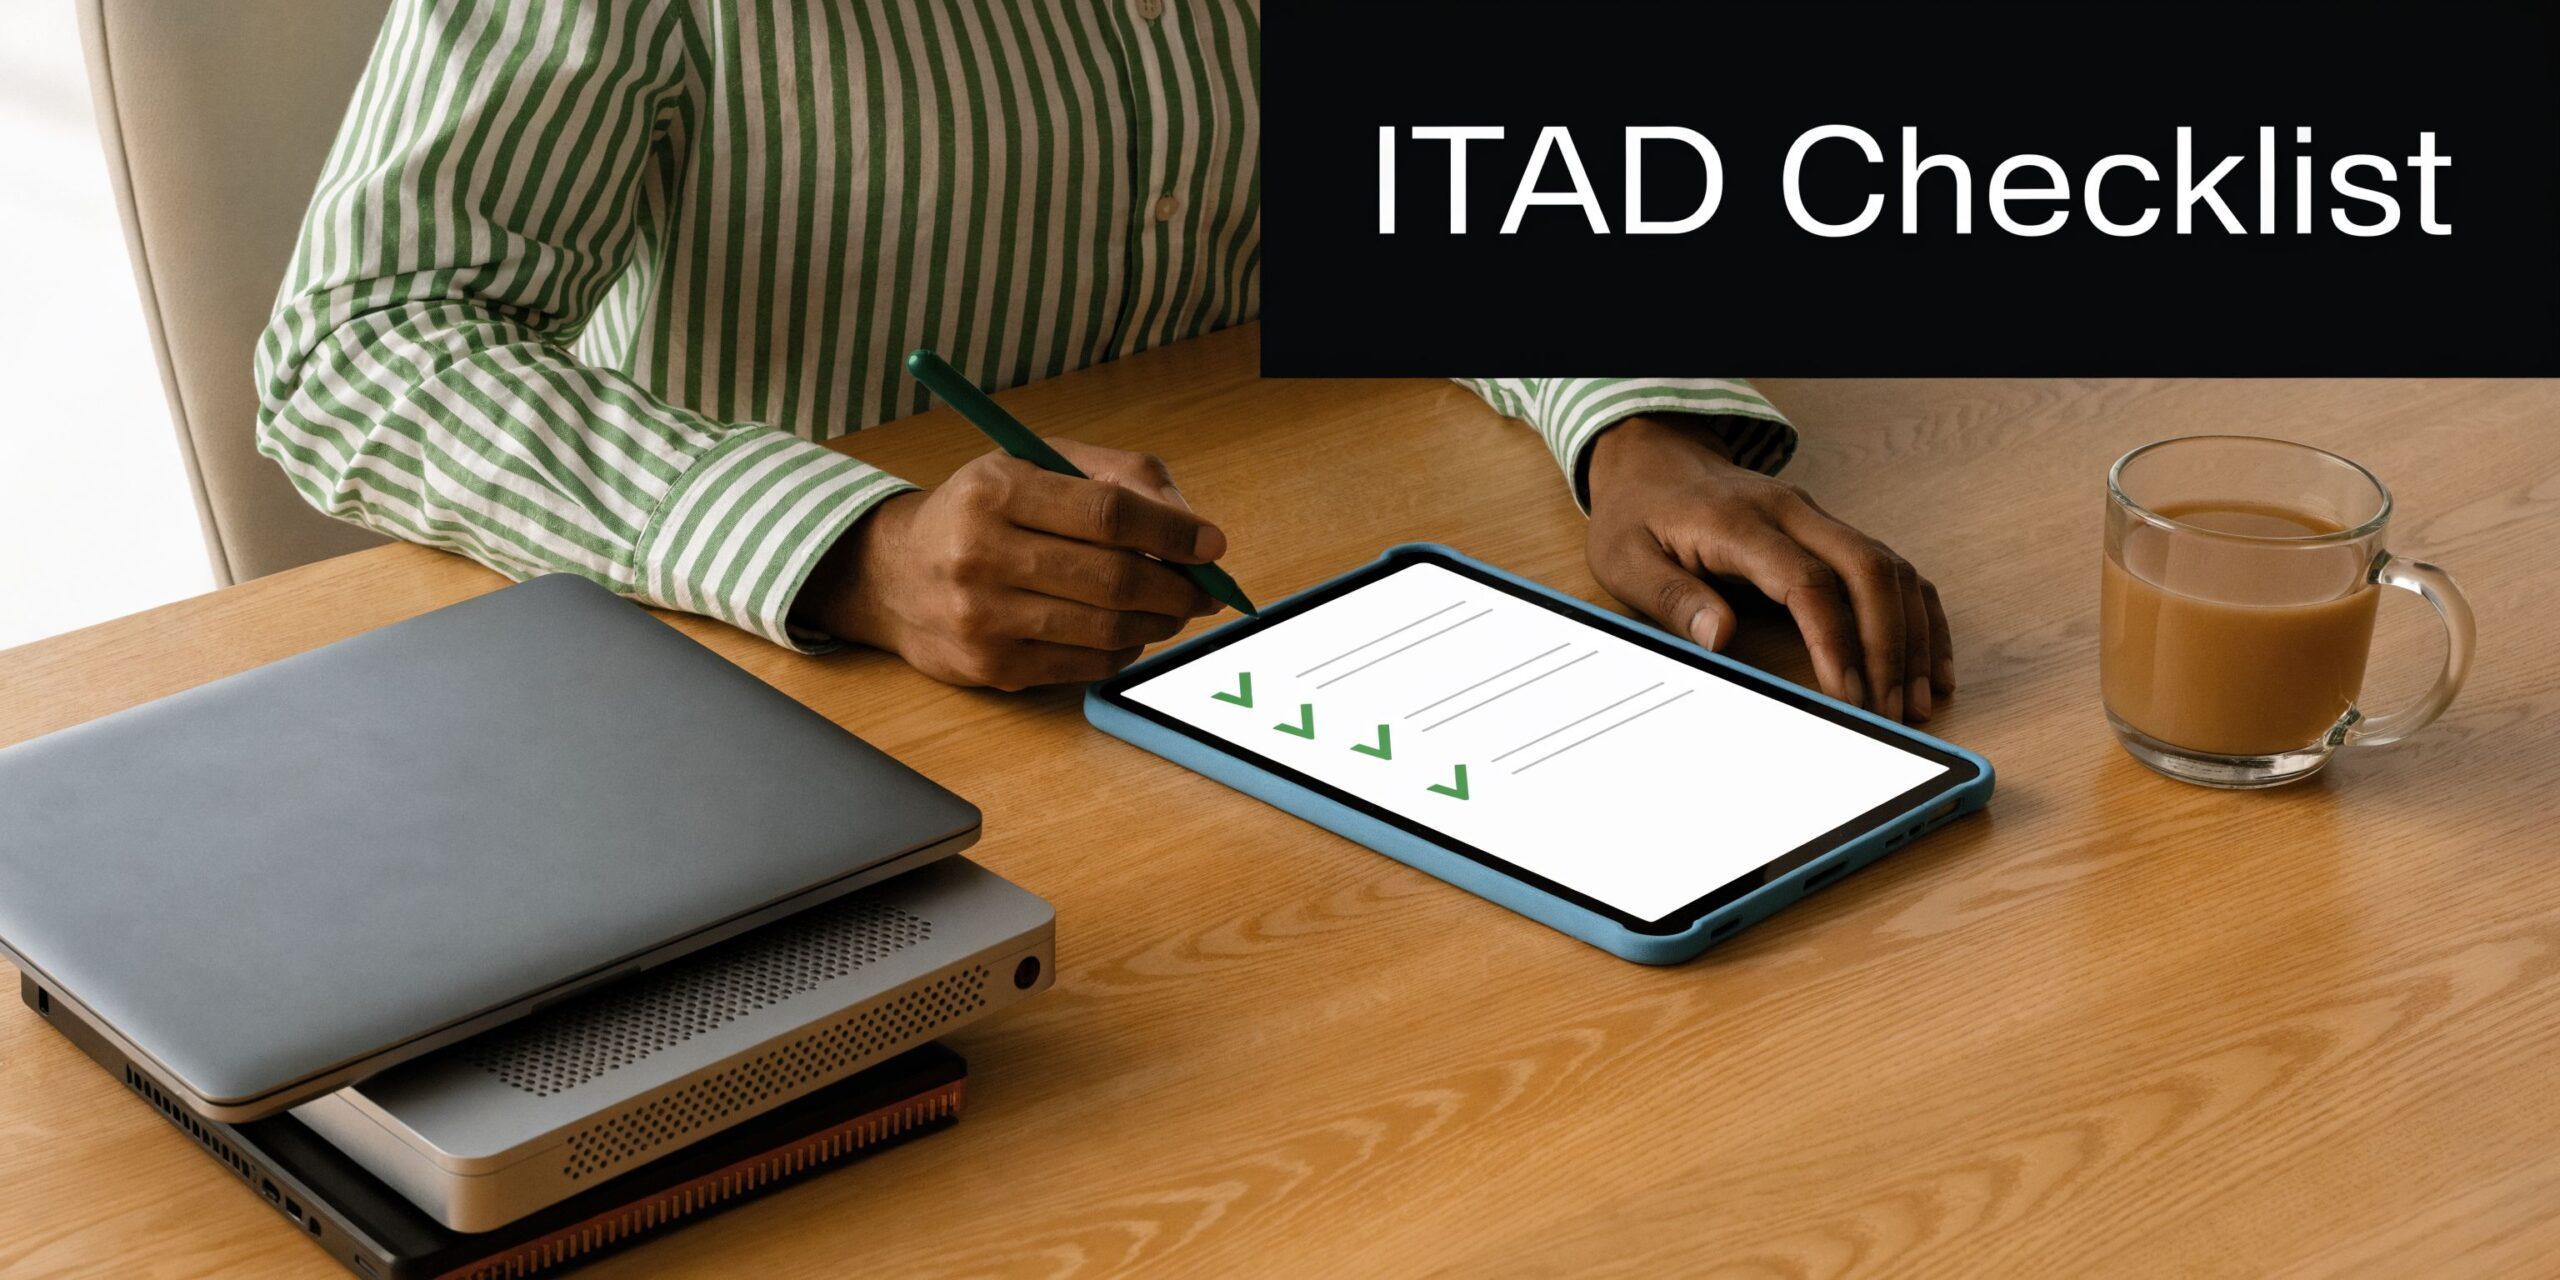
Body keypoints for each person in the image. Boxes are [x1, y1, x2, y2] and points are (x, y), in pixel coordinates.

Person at [256, 0, 1953, 722]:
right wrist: (857, 549)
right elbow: (359, 341)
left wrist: (1633, 422)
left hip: (1302, 633)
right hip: (831, 724)